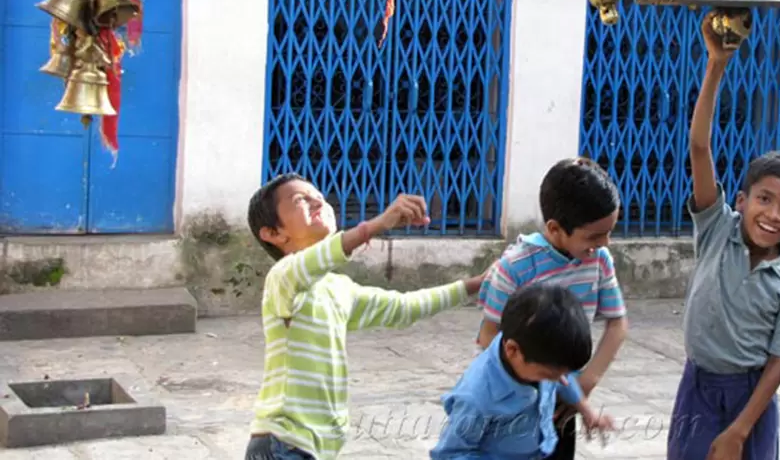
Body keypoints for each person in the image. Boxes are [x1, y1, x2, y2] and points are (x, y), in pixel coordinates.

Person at [243, 173, 486, 460]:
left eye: (317, 194)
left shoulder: (339, 289)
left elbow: (404, 307)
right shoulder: (282, 279)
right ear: (273, 233)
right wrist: (376, 225)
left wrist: (475, 284)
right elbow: (320, 258)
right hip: (281, 443)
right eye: (300, 200)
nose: (317, 200)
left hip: (314, 449)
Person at [668, 18, 780, 460]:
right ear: (741, 200)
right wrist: (716, 66)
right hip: (698, 386)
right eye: (764, 199)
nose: (773, 214)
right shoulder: (717, 230)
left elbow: (779, 360)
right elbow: (699, 147)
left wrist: (740, 429)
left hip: (752, 397)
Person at [475, 157, 628, 459]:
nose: (605, 243)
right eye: (594, 236)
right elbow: (487, 337)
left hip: (562, 403)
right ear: (555, 228)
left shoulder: (598, 260)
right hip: (513, 404)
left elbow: (618, 325)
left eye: (609, 232)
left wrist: (582, 387)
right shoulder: (514, 267)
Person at [431, 283, 616, 459]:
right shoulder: (476, 398)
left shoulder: (537, 353)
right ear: (512, 350)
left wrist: (587, 411)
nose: (562, 380)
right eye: (549, 376)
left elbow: (562, 378)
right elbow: (450, 454)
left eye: (564, 373)